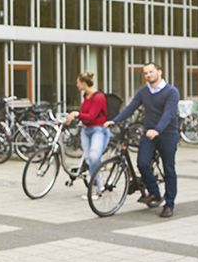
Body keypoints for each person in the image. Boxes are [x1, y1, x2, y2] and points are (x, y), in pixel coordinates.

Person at [105, 62, 180, 218]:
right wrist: (115, 120)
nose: (148, 75)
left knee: (169, 170)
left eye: (151, 72)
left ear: (160, 72)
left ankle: (169, 204)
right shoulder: (143, 92)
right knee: (142, 163)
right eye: (145, 73)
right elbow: (130, 108)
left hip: (167, 134)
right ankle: (154, 193)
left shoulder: (171, 92)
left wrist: (157, 130)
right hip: (148, 134)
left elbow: (168, 114)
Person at [65, 71, 108, 194]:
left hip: (98, 130)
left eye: (78, 83)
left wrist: (75, 114)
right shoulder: (86, 96)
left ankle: (96, 187)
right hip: (86, 130)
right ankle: (94, 187)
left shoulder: (99, 96)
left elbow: (92, 116)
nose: (77, 85)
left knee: (94, 158)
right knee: (89, 159)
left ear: (84, 84)